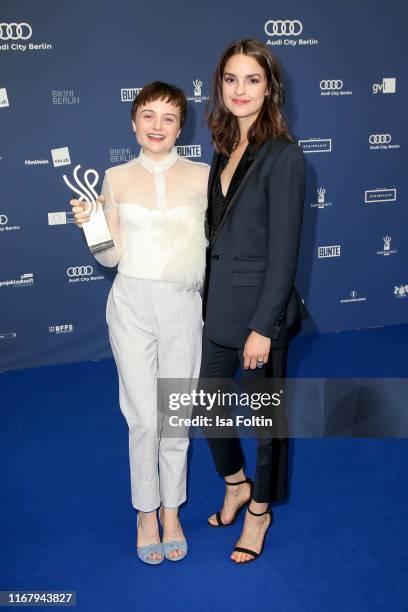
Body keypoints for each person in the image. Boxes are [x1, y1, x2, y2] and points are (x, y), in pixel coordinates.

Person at [70, 82, 209, 564]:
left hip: (182, 307)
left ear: (180, 127)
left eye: (168, 118)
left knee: (175, 419)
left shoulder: (203, 177)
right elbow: (110, 258)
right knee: (143, 418)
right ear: (133, 122)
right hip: (130, 303)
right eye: (147, 115)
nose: (156, 126)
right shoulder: (114, 177)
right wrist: (92, 225)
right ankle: (145, 513)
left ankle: (172, 511)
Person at [200, 38, 309, 563]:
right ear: (219, 85)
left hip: (261, 315)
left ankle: (260, 511)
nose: (240, 90)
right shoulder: (223, 147)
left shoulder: (284, 154)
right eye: (231, 79)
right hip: (219, 308)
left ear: (270, 88)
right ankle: (236, 483)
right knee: (208, 404)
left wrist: (264, 327)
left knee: (268, 423)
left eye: (253, 80)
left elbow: (284, 250)